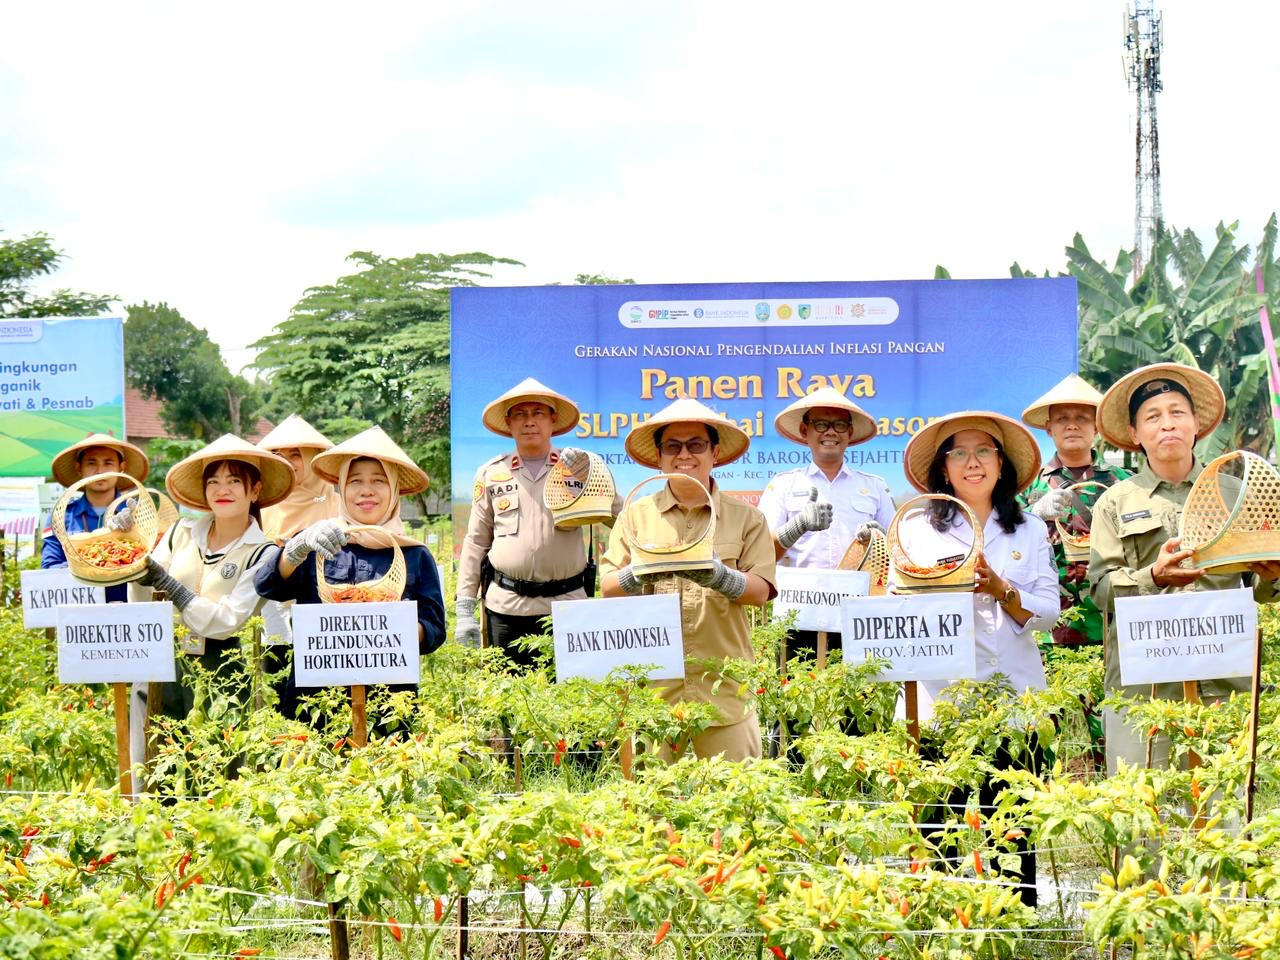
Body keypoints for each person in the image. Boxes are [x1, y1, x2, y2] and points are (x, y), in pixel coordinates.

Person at [1087, 363, 1280, 774]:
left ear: (1197, 424)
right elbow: (1101, 592)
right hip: (1144, 683)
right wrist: (1152, 577)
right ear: (1137, 435)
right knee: (1142, 814)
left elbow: (1261, 588)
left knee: (1226, 812)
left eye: (1177, 412)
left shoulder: (1238, 494)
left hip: (1226, 679)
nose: (1167, 424)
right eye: (1152, 417)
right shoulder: (1114, 503)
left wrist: (1272, 574)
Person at [900, 411, 1059, 907]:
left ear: (1001, 464)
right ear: (943, 469)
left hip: (1015, 697)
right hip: (939, 702)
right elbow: (894, 603)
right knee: (940, 831)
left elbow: (1049, 612)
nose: (973, 463)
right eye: (959, 453)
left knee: (1012, 828)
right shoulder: (915, 527)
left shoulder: (1029, 530)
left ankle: (1015, 925)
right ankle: (949, 923)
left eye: (984, 451)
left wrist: (1002, 588)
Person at [600, 398, 776, 762]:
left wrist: (722, 577)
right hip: (653, 696)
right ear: (660, 457)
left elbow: (761, 591)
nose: (685, 455)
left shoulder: (746, 518)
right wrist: (639, 574)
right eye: (672, 447)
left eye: (696, 445)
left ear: (714, 452)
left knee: (737, 808)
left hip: (725, 692)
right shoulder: (636, 516)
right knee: (653, 811)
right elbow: (607, 586)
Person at [128, 435, 294, 780]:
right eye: (214, 481)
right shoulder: (181, 533)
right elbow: (143, 594)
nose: (223, 489)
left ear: (255, 490)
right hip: (165, 662)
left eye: (235, 481)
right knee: (158, 765)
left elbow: (227, 621)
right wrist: (130, 548)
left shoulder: (263, 553)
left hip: (224, 670)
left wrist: (170, 585)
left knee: (216, 770)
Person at [254, 426, 446, 723]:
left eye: (379, 482)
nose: (366, 490)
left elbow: (434, 628)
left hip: (389, 699)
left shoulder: (414, 554)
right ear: (342, 488)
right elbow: (267, 586)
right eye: (355, 481)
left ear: (394, 490)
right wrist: (296, 548)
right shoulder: (319, 543)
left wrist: (394, 628)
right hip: (316, 699)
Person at [455, 378, 618, 668]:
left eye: (538, 413)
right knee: (507, 701)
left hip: (567, 606)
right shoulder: (491, 473)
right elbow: (476, 541)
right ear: (509, 422)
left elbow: (620, 518)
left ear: (553, 419)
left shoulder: (575, 468)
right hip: (505, 607)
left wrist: (591, 472)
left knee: (570, 703)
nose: (529, 422)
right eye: (520, 414)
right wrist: (465, 607)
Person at [758, 387, 893, 662]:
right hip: (798, 617)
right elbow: (760, 556)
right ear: (805, 431)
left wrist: (878, 542)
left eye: (839, 425)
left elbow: (896, 551)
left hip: (858, 615)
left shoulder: (874, 487)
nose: (831, 432)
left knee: (858, 703)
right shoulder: (783, 486)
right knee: (795, 700)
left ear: (850, 433)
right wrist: (797, 527)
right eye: (821, 424)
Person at [1019, 374, 1130, 649]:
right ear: (1049, 428)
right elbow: (1004, 538)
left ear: (1096, 426)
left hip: (1110, 622)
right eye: (1062, 419)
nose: (1072, 426)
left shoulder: (1124, 483)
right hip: (1051, 626)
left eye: (1081, 417)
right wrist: (1034, 512)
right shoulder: (1027, 484)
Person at [43, 433, 150, 602]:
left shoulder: (139, 514)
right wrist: (87, 566)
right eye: (91, 463)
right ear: (79, 468)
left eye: (108, 463)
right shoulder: (61, 516)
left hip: (129, 613)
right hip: (79, 615)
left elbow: (154, 564)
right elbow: (49, 567)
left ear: (121, 467)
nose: (100, 471)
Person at [257, 414, 339, 542]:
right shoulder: (261, 510)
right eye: (278, 456)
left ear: (312, 458)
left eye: (295, 455)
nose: (286, 463)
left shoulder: (340, 508)